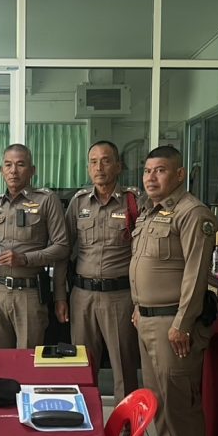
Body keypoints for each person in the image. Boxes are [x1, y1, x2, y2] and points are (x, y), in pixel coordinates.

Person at [131, 145, 218, 436]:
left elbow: (197, 274)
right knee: (159, 396)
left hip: (174, 323)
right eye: (147, 171)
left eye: (161, 170)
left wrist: (182, 323)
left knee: (180, 399)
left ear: (180, 174)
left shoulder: (192, 213)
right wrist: (138, 308)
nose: (151, 177)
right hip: (147, 318)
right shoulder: (148, 213)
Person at [53, 141, 140, 401]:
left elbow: (143, 256)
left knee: (124, 367)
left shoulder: (133, 202)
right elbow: (63, 251)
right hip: (83, 296)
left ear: (119, 166)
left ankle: (125, 424)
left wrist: (140, 301)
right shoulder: (78, 202)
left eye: (105, 160)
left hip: (120, 297)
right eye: (93, 162)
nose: (99, 167)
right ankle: (83, 422)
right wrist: (60, 296)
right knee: (81, 366)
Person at [0, 144, 70, 349]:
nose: (13, 171)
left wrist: (24, 259)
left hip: (29, 293)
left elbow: (62, 247)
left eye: (20, 164)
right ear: (1, 170)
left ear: (32, 170)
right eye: (8, 165)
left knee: (28, 356)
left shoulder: (46, 200)